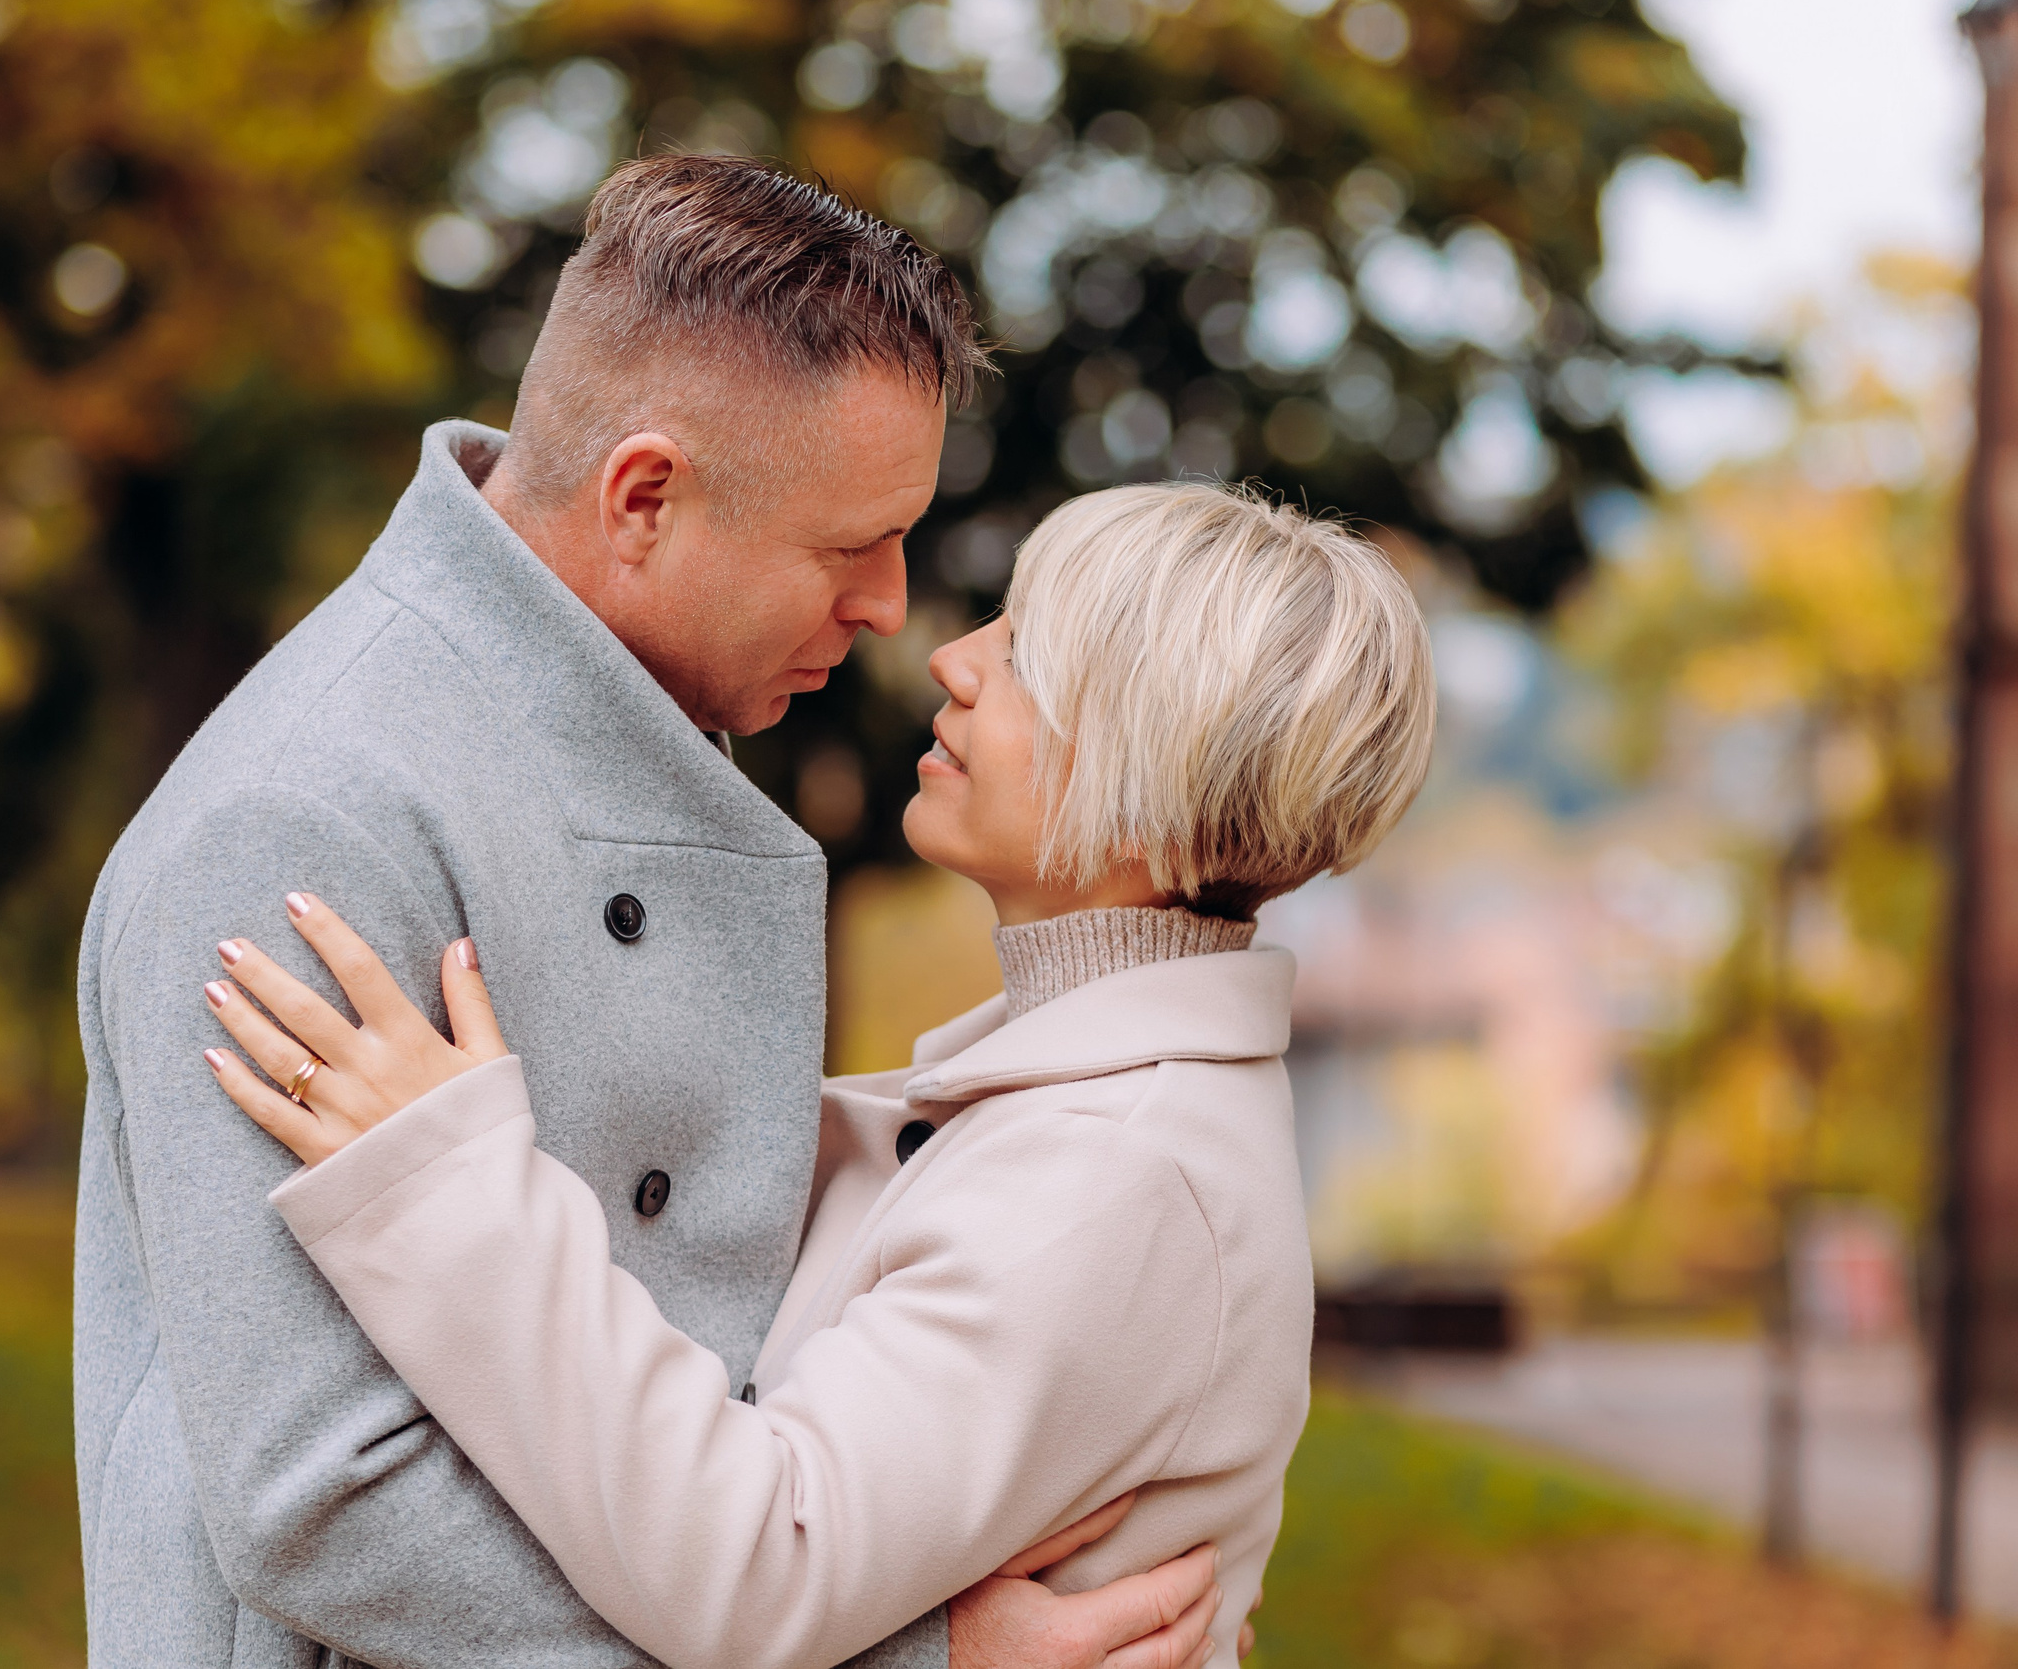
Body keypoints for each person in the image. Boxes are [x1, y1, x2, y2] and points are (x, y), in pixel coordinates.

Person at [73, 154, 1221, 1668]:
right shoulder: (307, 820)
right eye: (847, 544)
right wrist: (896, 1657)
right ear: (645, 498)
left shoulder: (639, 714)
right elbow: (326, 1502)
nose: (889, 605)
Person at [199, 483, 1436, 1669]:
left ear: (1154, 802)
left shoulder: (1112, 1173)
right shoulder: (1091, 1113)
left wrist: (441, 1188)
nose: (955, 658)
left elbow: (757, 1568)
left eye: (1031, 659)